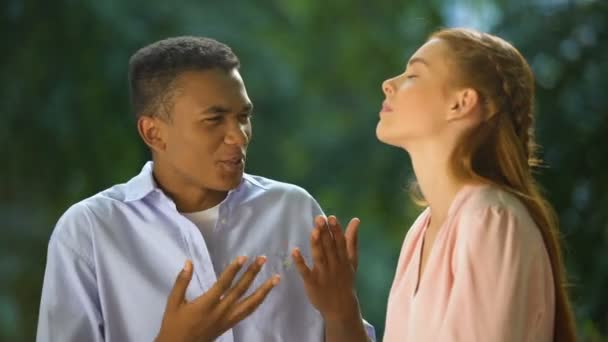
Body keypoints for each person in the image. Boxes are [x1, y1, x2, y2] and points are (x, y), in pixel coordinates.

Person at [36, 36, 374, 342]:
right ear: (154, 133)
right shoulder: (90, 232)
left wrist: (341, 311)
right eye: (214, 120)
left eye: (244, 116)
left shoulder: (293, 211)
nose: (239, 135)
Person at [292, 28, 577, 342]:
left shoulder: (490, 219)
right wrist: (341, 311)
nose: (388, 84)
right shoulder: (422, 230)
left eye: (413, 75)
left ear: (461, 103)